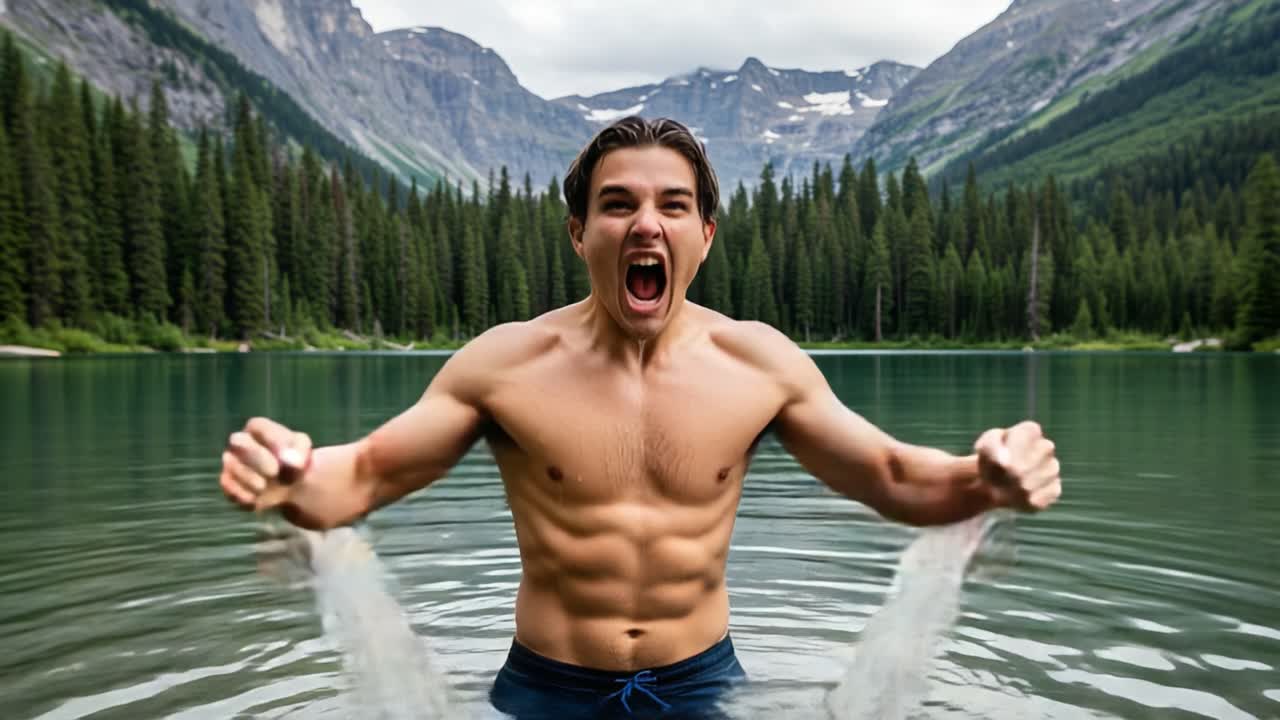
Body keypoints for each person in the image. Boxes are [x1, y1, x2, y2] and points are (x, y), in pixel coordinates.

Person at [218, 116, 1062, 719]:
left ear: (704, 233)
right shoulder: (506, 365)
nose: (645, 223)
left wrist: (983, 478)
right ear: (580, 231)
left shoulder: (758, 363)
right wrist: (292, 476)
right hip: (546, 689)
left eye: (672, 205)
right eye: (618, 204)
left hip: (702, 685)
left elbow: (893, 476)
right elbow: (360, 475)